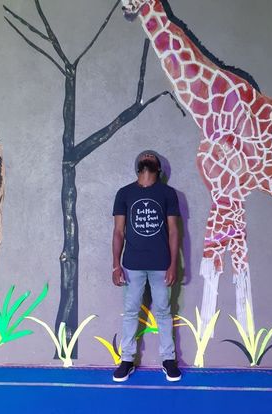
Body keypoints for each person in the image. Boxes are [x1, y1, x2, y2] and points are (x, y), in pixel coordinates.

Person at [112, 150, 182, 382]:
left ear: (158, 167)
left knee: (164, 312)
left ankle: (168, 360)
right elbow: (118, 231)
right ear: (138, 165)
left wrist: (173, 264)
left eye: (152, 156)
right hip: (132, 265)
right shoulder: (124, 193)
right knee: (131, 312)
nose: (148, 156)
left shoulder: (167, 193)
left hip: (161, 264)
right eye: (145, 156)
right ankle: (126, 360)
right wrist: (116, 265)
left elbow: (174, 231)